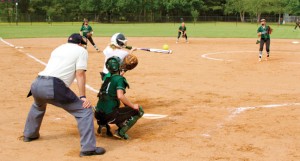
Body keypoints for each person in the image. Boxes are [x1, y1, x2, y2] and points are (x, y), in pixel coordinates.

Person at [22, 33, 105, 157]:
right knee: (85, 111)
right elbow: (80, 73)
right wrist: (82, 97)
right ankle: (88, 149)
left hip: (36, 84)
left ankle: (29, 135)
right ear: (80, 43)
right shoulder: (81, 50)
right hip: (53, 85)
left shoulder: (58, 48)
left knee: (38, 106)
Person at [94, 56, 144, 140]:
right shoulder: (120, 79)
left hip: (98, 114)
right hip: (110, 115)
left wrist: (124, 70)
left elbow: (115, 77)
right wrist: (132, 106)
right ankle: (120, 132)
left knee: (109, 105)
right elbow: (120, 96)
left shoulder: (106, 77)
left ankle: (102, 125)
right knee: (139, 110)